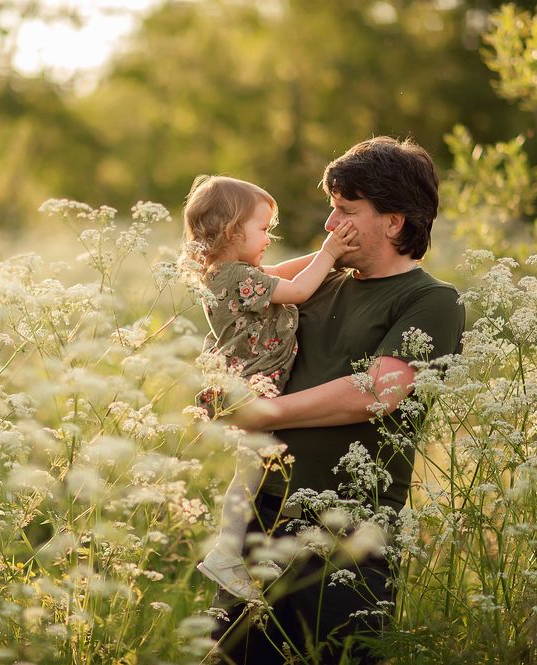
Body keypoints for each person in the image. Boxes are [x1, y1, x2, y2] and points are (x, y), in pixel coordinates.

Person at [210, 137, 466, 664]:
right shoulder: (321, 282)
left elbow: (378, 391)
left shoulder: (431, 300)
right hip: (257, 517)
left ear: (394, 222)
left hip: (347, 535)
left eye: (345, 211)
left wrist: (266, 412)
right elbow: (226, 288)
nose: (329, 223)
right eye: (331, 209)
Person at [181, 175, 359, 602]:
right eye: (263, 229)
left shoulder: (231, 274)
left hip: (245, 384)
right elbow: (296, 290)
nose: (269, 237)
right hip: (252, 388)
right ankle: (226, 552)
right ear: (231, 231)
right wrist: (332, 252)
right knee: (249, 474)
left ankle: (233, 551)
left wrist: (326, 257)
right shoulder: (237, 279)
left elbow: (281, 273)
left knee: (252, 472)